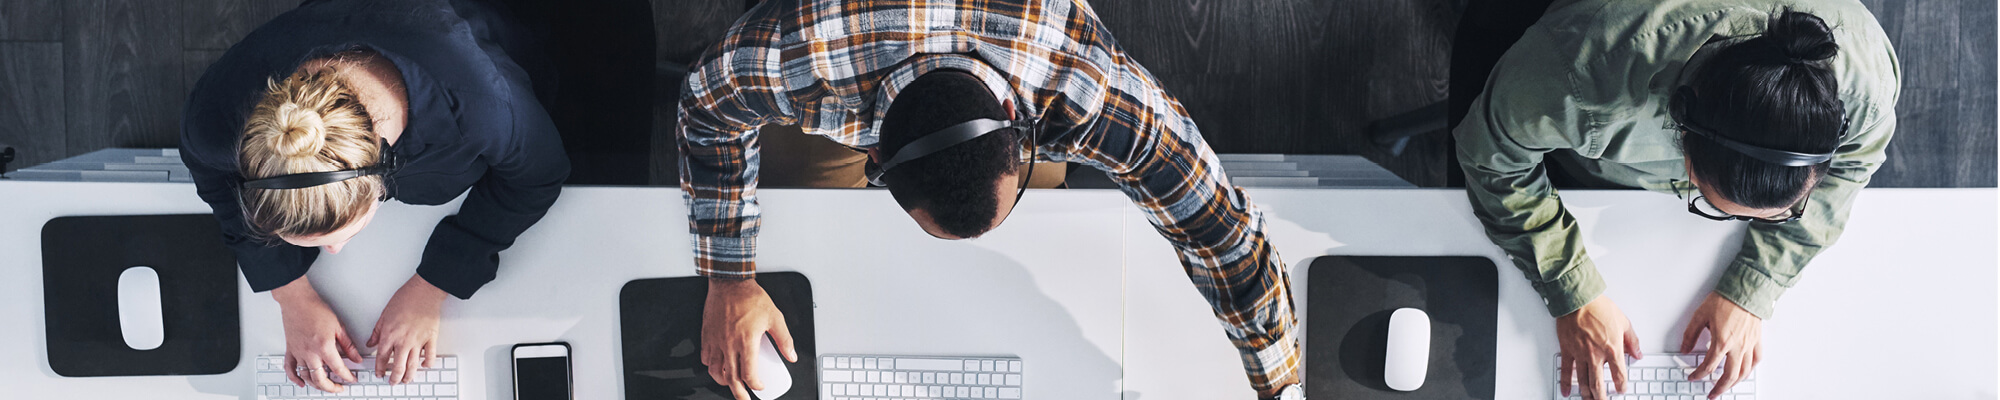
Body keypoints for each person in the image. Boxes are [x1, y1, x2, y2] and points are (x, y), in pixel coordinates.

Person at [675, 0, 1302, 399]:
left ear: (1015, 118)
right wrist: (729, 278)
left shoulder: (1085, 83)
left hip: (1015, 57)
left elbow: (1221, 233)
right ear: (873, 157)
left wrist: (1282, 389)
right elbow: (705, 107)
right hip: (857, 51)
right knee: (805, 209)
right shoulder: (800, 55)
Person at [1453, 1, 1899, 399]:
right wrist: (1572, 288)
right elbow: (1493, 160)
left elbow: (1853, 167)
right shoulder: (1578, 74)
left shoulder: (1866, 85)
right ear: (1684, 146)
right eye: (1713, 204)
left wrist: (1757, 281)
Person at [180, 0, 568, 393]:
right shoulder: (215, 119)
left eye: (342, 234)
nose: (333, 252)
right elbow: (212, 175)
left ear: (383, 174)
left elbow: (538, 175)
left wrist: (433, 284)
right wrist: (291, 294)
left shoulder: (482, 106)